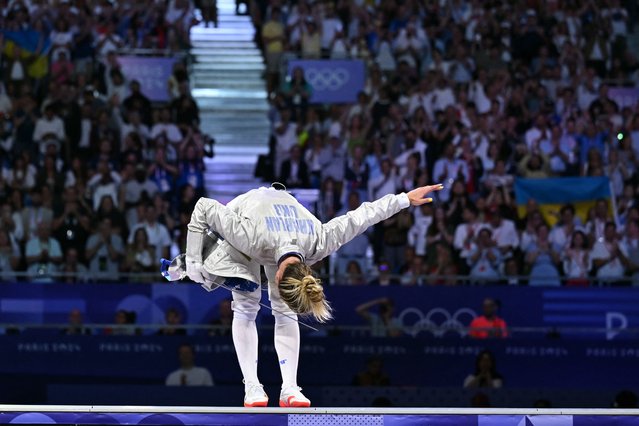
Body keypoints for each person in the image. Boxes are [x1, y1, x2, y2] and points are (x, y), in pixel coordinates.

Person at [185, 183, 443, 407]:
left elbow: (362, 217)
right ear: (275, 278)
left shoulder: (319, 241)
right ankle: (251, 386)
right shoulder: (251, 237)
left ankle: (290, 388)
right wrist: (193, 261)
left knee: (284, 311)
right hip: (248, 211)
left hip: (282, 219)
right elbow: (204, 206)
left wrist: (404, 199)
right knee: (246, 302)